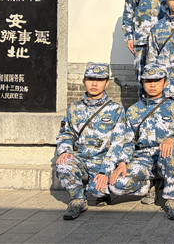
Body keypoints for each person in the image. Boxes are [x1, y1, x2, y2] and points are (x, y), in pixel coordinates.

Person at [110, 64, 174, 220]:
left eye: (157, 81)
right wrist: (122, 162)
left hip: (166, 158)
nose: (152, 85)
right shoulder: (133, 110)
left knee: (170, 153)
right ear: (142, 83)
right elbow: (128, 141)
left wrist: (173, 139)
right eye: (148, 81)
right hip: (143, 159)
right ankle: (148, 184)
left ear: (165, 83)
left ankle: (171, 199)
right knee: (116, 185)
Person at [56, 62, 130, 220]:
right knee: (63, 163)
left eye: (100, 79)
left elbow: (117, 144)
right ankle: (77, 200)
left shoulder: (116, 110)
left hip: (103, 161)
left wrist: (105, 171)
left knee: (103, 189)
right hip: (81, 159)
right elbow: (66, 134)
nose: (94, 84)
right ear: (84, 81)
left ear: (107, 83)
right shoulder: (73, 109)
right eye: (90, 79)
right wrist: (65, 151)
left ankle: (99, 192)